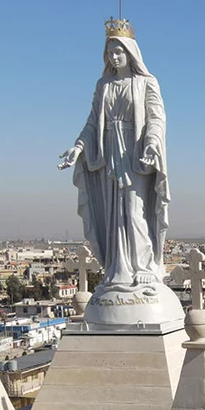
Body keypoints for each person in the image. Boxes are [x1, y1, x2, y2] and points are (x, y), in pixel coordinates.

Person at [58, 18, 169, 289]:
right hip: (108, 152)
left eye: (119, 51)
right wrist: (79, 147)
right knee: (113, 212)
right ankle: (118, 268)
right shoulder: (103, 85)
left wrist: (152, 143)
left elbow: (157, 118)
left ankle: (142, 266)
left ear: (130, 53)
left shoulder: (146, 82)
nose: (114, 56)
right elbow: (93, 121)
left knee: (134, 209)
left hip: (136, 153)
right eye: (110, 52)